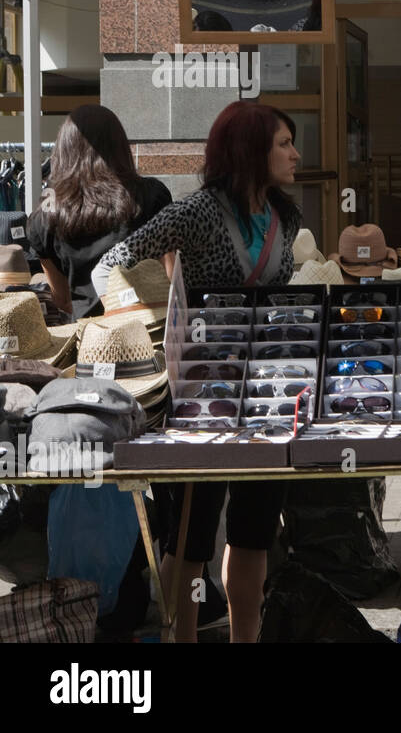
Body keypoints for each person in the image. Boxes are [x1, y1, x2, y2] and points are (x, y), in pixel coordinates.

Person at [93, 101, 302, 643]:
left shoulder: (287, 218)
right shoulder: (200, 212)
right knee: (191, 536)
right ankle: (180, 637)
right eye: (284, 143)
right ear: (251, 149)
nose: (295, 154)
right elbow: (111, 263)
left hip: (267, 396)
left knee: (255, 531)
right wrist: (156, 318)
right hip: (199, 397)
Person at [27, 104, 172, 318]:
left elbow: (62, 300)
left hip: (92, 341)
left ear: (63, 150)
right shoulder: (151, 196)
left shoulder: (44, 217)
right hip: (147, 329)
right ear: (120, 147)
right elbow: (170, 275)